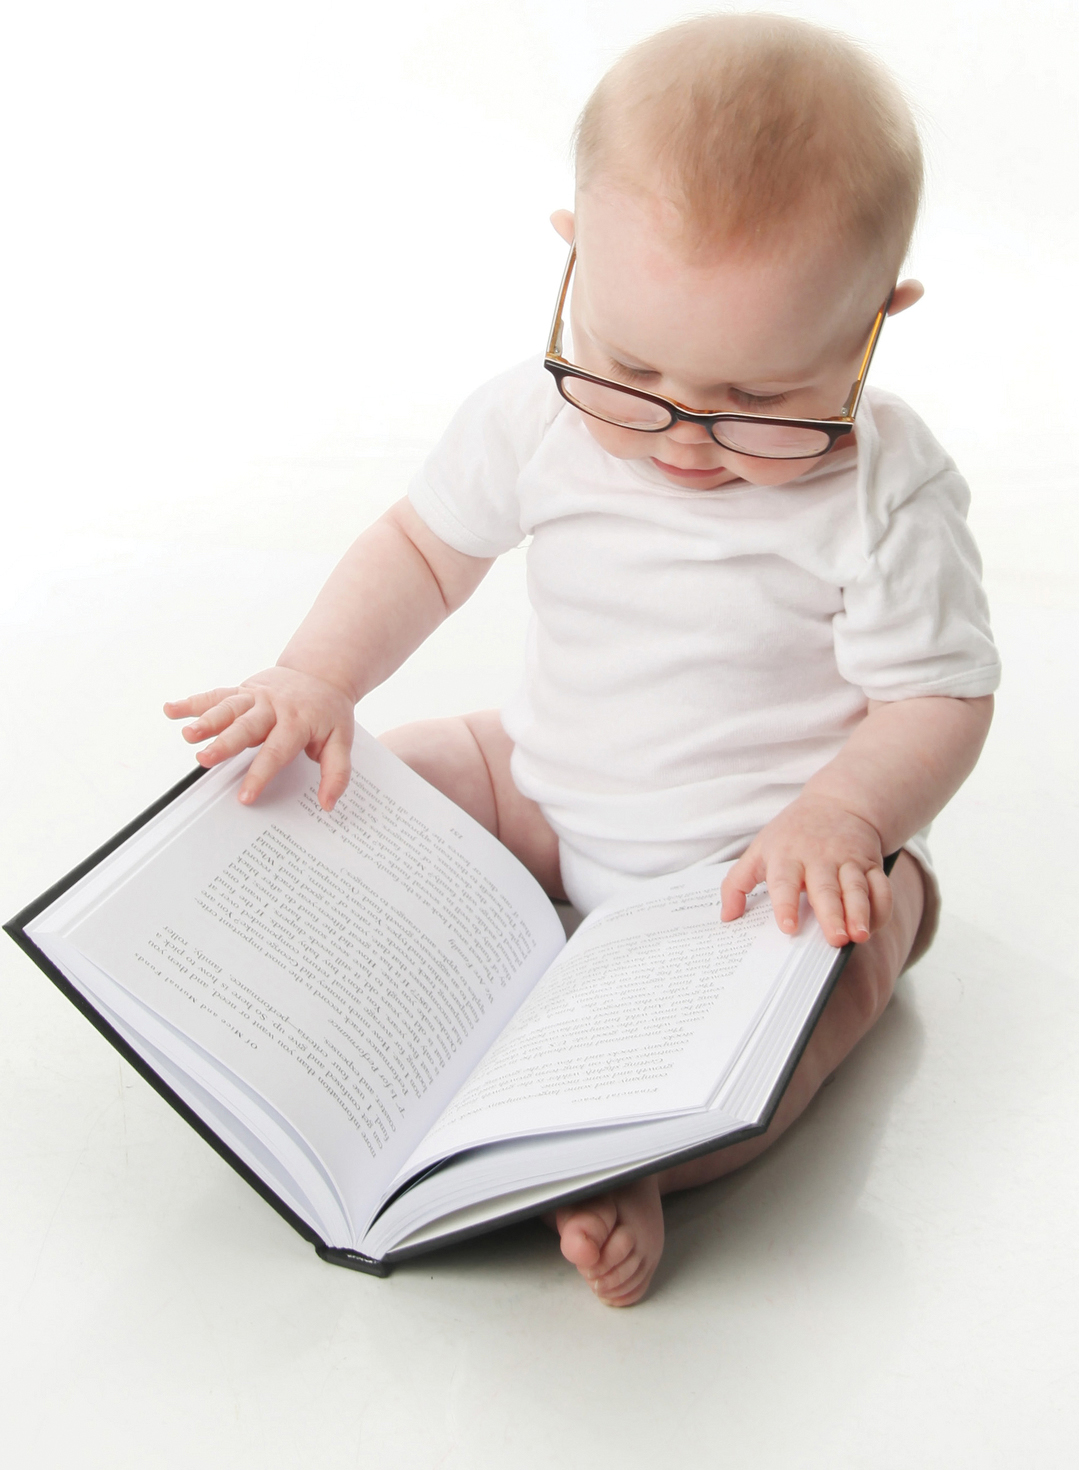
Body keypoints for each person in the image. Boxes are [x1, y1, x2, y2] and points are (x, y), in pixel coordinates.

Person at [164, 13, 999, 1306]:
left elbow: (936, 695)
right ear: (572, 263)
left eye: (762, 402)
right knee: (377, 781)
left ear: (876, 326)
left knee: (834, 971)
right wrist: (319, 678)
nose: (682, 438)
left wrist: (841, 816)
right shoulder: (531, 415)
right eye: (630, 367)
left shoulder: (884, 490)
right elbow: (423, 550)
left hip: (751, 861)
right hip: (546, 785)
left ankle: (649, 1160)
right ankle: (234, 968)